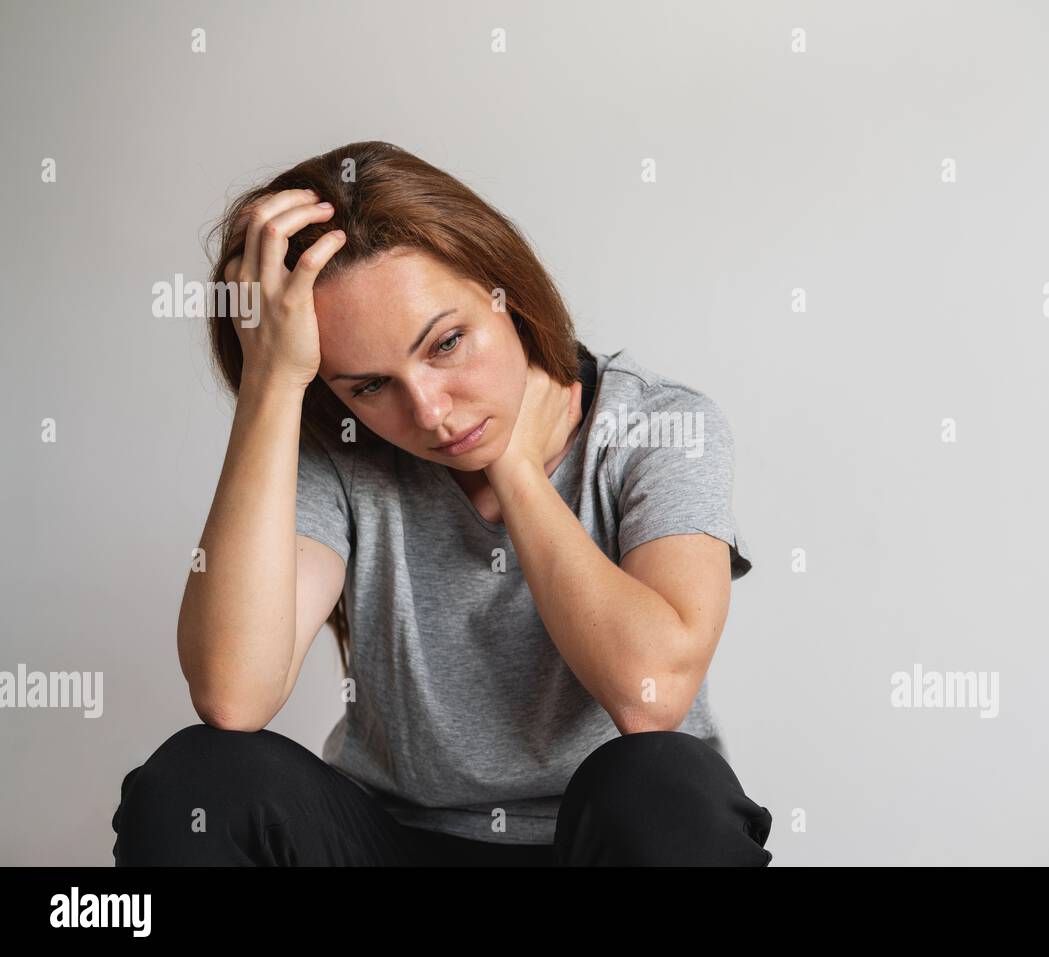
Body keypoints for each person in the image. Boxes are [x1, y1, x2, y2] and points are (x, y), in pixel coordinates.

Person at [111, 141, 773, 866]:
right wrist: (272, 382)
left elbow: (652, 695)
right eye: (368, 385)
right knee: (197, 780)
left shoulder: (657, 426)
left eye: (447, 342)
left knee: (664, 782)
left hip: (597, 844)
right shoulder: (341, 453)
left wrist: (515, 469)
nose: (429, 412)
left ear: (505, 287)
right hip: (398, 843)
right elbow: (233, 695)